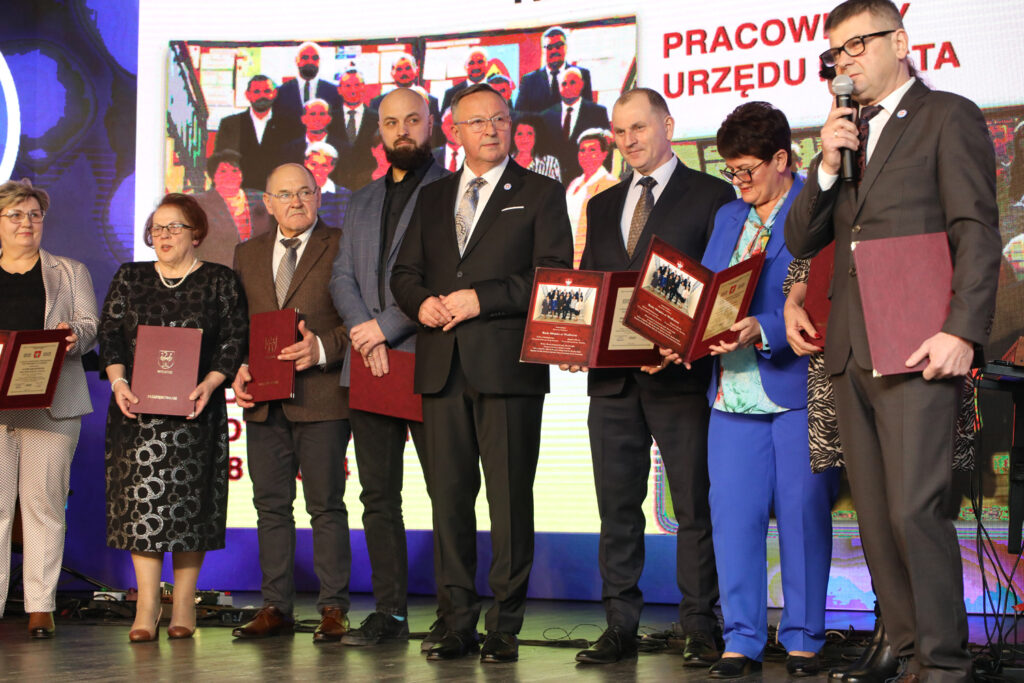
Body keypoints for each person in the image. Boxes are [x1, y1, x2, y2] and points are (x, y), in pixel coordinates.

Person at [783, 1, 1001, 680]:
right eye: (835, 52)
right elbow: (801, 238)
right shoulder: (845, 134)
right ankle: (906, 653)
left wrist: (962, 329)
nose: (844, 62)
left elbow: (976, 231)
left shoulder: (947, 116)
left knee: (915, 511)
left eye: (857, 45)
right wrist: (825, 165)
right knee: (876, 518)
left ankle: (944, 664)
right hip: (851, 349)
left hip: (917, 342)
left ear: (900, 41)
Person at [391, 83, 572, 663]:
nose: (491, 129)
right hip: (440, 368)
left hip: (507, 369)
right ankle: (456, 620)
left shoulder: (540, 192)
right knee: (448, 500)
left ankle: (505, 626)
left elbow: (553, 275)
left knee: (509, 500)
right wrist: (421, 303)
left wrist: (481, 298)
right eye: (477, 121)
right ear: (455, 131)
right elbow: (404, 274)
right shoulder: (433, 196)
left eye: (499, 119)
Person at [663, 101, 839, 679]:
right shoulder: (727, 217)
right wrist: (680, 336)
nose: (737, 181)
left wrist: (763, 328)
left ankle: (804, 639)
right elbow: (707, 293)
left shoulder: (817, 207)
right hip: (730, 395)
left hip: (796, 389)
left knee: (803, 516)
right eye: (730, 170)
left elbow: (825, 296)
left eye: (747, 170)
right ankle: (741, 638)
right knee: (733, 519)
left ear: (782, 159)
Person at [571, 88, 734, 666]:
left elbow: (720, 287)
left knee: (694, 506)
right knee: (616, 509)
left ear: (667, 124)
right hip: (611, 384)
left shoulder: (712, 195)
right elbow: (591, 287)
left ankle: (700, 626)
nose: (629, 140)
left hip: (679, 379)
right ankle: (620, 625)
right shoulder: (601, 204)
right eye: (620, 132)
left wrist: (681, 341)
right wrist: (575, 339)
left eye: (638, 127)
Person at [328, 87, 449, 648]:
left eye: (413, 120)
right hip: (368, 365)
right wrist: (363, 329)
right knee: (378, 498)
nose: (403, 130)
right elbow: (341, 277)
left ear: (432, 124)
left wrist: (385, 328)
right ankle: (389, 613)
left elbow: (443, 278)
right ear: (378, 131)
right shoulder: (360, 200)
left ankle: (454, 613)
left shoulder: (452, 191)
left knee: (447, 492)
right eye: (392, 122)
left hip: (428, 361)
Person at [100, 193, 247, 642]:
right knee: (140, 509)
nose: (163, 235)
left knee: (189, 508)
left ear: (196, 233)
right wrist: (119, 383)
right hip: (136, 414)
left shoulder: (220, 280)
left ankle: (184, 602)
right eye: (157, 228)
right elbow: (110, 334)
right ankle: (146, 606)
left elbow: (234, 337)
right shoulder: (130, 277)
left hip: (195, 411)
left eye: (174, 227)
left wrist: (212, 382)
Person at [230, 163, 353, 644]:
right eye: (285, 194)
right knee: (271, 507)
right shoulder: (247, 253)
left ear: (318, 195)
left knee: (326, 506)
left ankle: (333, 607)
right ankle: (275, 607)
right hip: (264, 401)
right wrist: (240, 366)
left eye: (305, 192)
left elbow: (359, 320)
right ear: (268, 203)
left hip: (322, 396)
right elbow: (240, 326)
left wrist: (321, 347)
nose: (296, 202)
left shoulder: (341, 244)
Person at [0, 179, 98, 639]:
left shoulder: (69, 271)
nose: (27, 223)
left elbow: (91, 325)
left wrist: (74, 335)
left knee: (43, 506)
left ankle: (40, 606)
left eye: (34, 215)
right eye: (16, 215)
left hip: (51, 403)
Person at [194, 149, 272, 268]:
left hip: (256, 268)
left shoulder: (261, 199)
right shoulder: (200, 203)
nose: (230, 176)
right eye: (223, 171)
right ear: (213, 176)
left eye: (235, 170)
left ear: (242, 175)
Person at [214, 75, 290, 191]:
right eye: (256, 92)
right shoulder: (230, 124)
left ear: (274, 94)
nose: (262, 96)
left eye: (266, 91)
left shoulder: (288, 125)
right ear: (247, 95)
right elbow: (221, 162)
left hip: (277, 192)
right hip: (239, 192)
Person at [541, 67, 609, 182]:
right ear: (559, 87)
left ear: (581, 84)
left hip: (589, 182)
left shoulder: (598, 113)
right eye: (564, 84)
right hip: (554, 182)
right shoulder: (546, 116)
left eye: (572, 82)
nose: (568, 87)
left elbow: (606, 150)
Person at [565, 128, 618, 267]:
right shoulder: (574, 183)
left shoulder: (610, 183)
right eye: (582, 150)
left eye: (592, 150)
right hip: (568, 255)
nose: (586, 154)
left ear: (604, 154)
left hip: (592, 259)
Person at [515, 26, 594, 114]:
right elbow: (519, 115)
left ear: (566, 47)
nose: (554, 51)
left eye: (558, 46)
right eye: (549, 47)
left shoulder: (582, 75)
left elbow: (589, 112)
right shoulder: (529, 81)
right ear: (543, 50)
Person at [272, 42, 343, 128]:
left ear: (320, 61)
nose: (310, 61)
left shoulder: (334, 92)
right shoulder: (281, 93)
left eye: (315, 58)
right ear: (296, 60)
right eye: (305, 57)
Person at [331, 68, 378, 190]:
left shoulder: (377, 119)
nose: (353, 90)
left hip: (367, 185)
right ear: (339, 90)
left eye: (357, 85)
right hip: (337, 185)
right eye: (347, 86)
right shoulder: (330, 119)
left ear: (364, 87)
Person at [305, 141, 352, 229]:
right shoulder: (295, 192)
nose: (318, 170)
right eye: (313, 164)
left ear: (332, 167)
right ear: (306, 163)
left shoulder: (344, 195)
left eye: (324, 165)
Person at [511, 113, 561, 182]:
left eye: (529, 134)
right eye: (520, 134)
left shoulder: (550, 163)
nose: (524, 139)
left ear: (537, 136)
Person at [441, 48, 489, 114]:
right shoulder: (451, 93)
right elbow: (444, 119)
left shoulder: (497, 88)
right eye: (471, 63)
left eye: (480, 62)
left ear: (487, 65)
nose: (476, 66)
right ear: (465, 67)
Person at [432, 108, 464, 173]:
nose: (454, 129)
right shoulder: (431, 157)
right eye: (449, 123)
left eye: (457, 124)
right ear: (442, 127)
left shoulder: (479, 157)